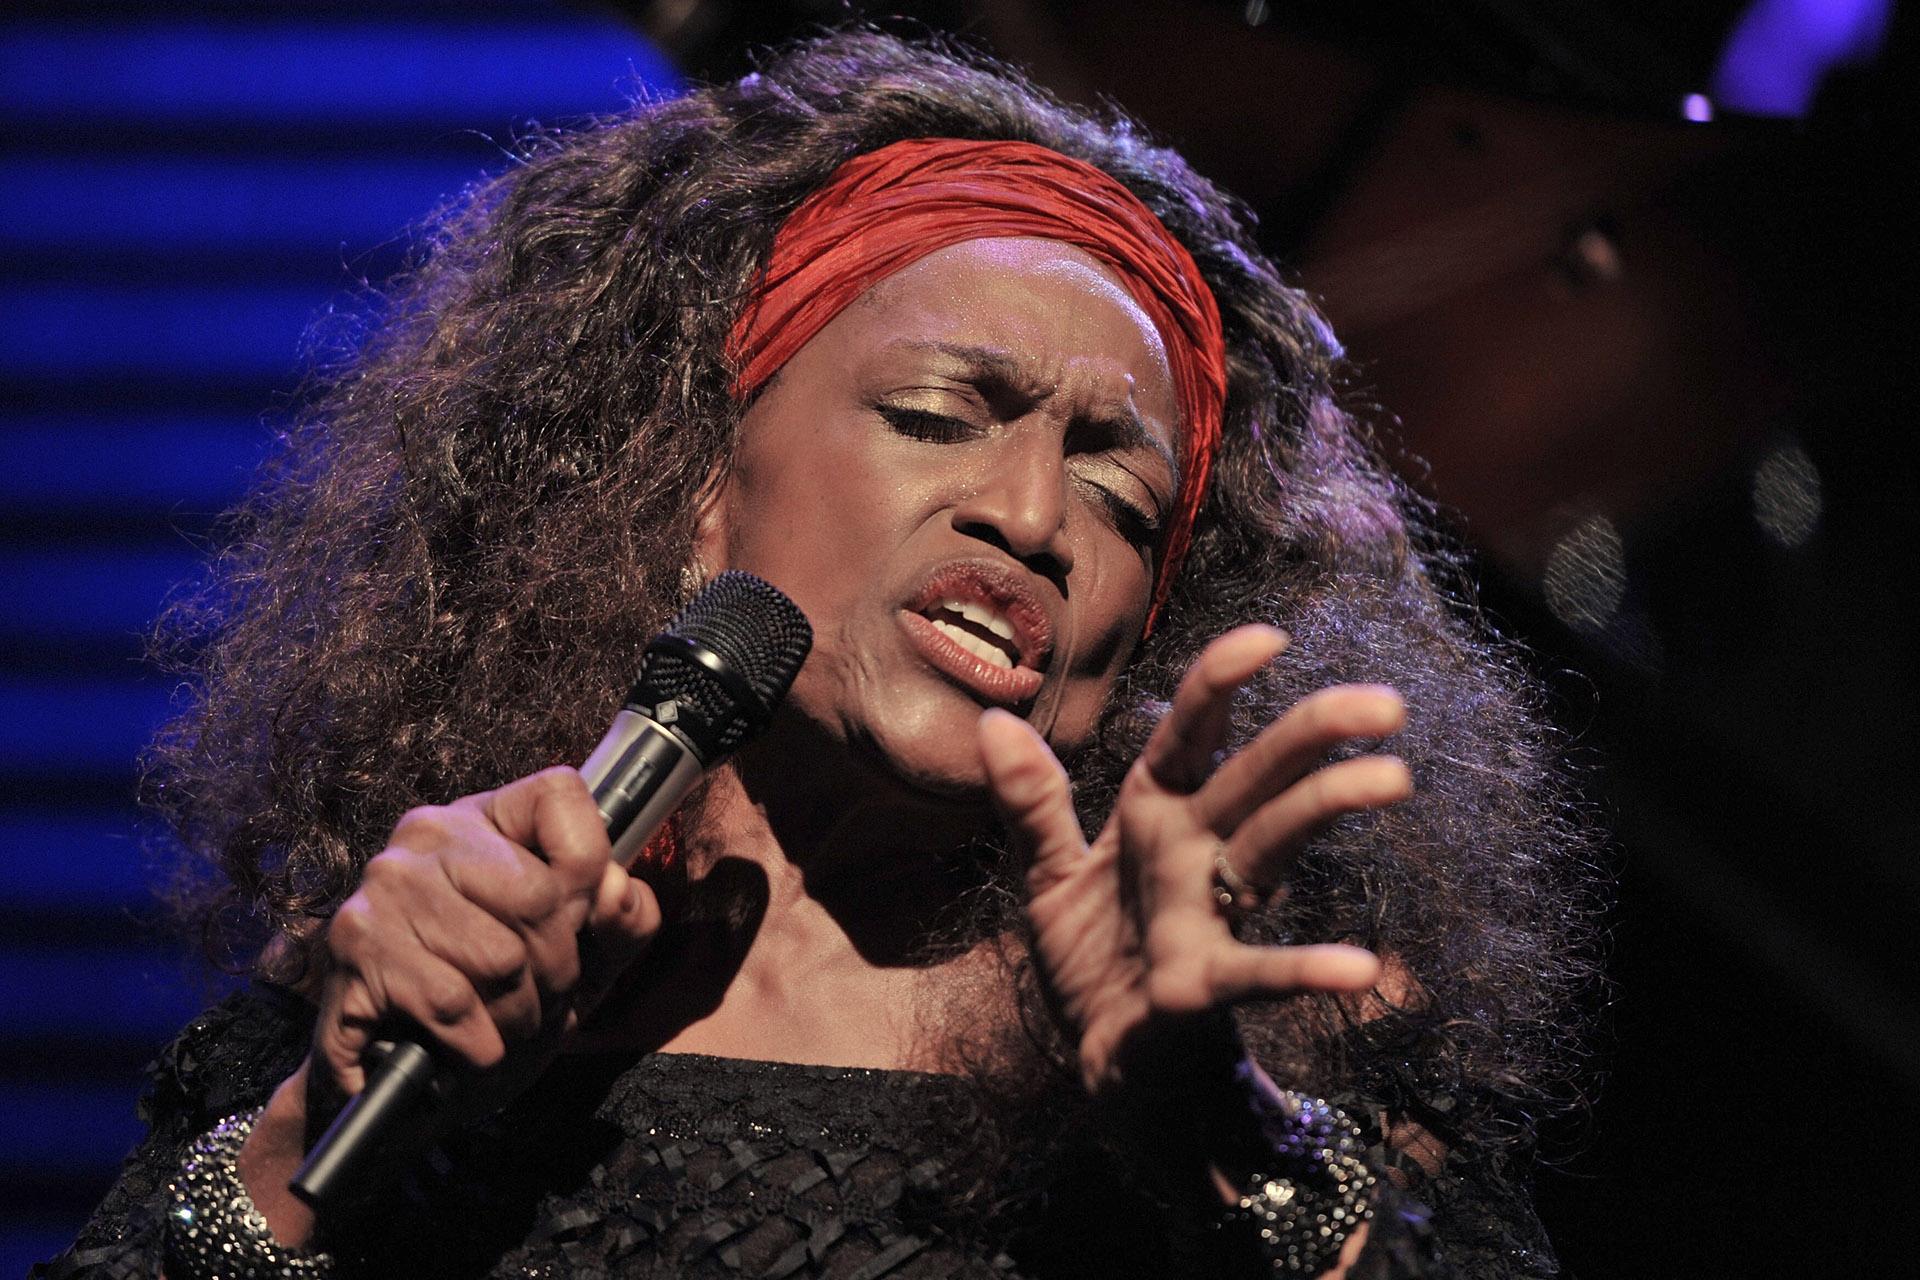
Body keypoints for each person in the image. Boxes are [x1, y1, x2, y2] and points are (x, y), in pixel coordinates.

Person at [38, 29, 1595, 1280]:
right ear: (698, 485)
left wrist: (1221, 1143)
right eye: (935, 418)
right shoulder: (433, 946)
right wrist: (320, 1132)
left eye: (1126, 498)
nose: (1039, 514)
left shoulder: (1271, 1040)